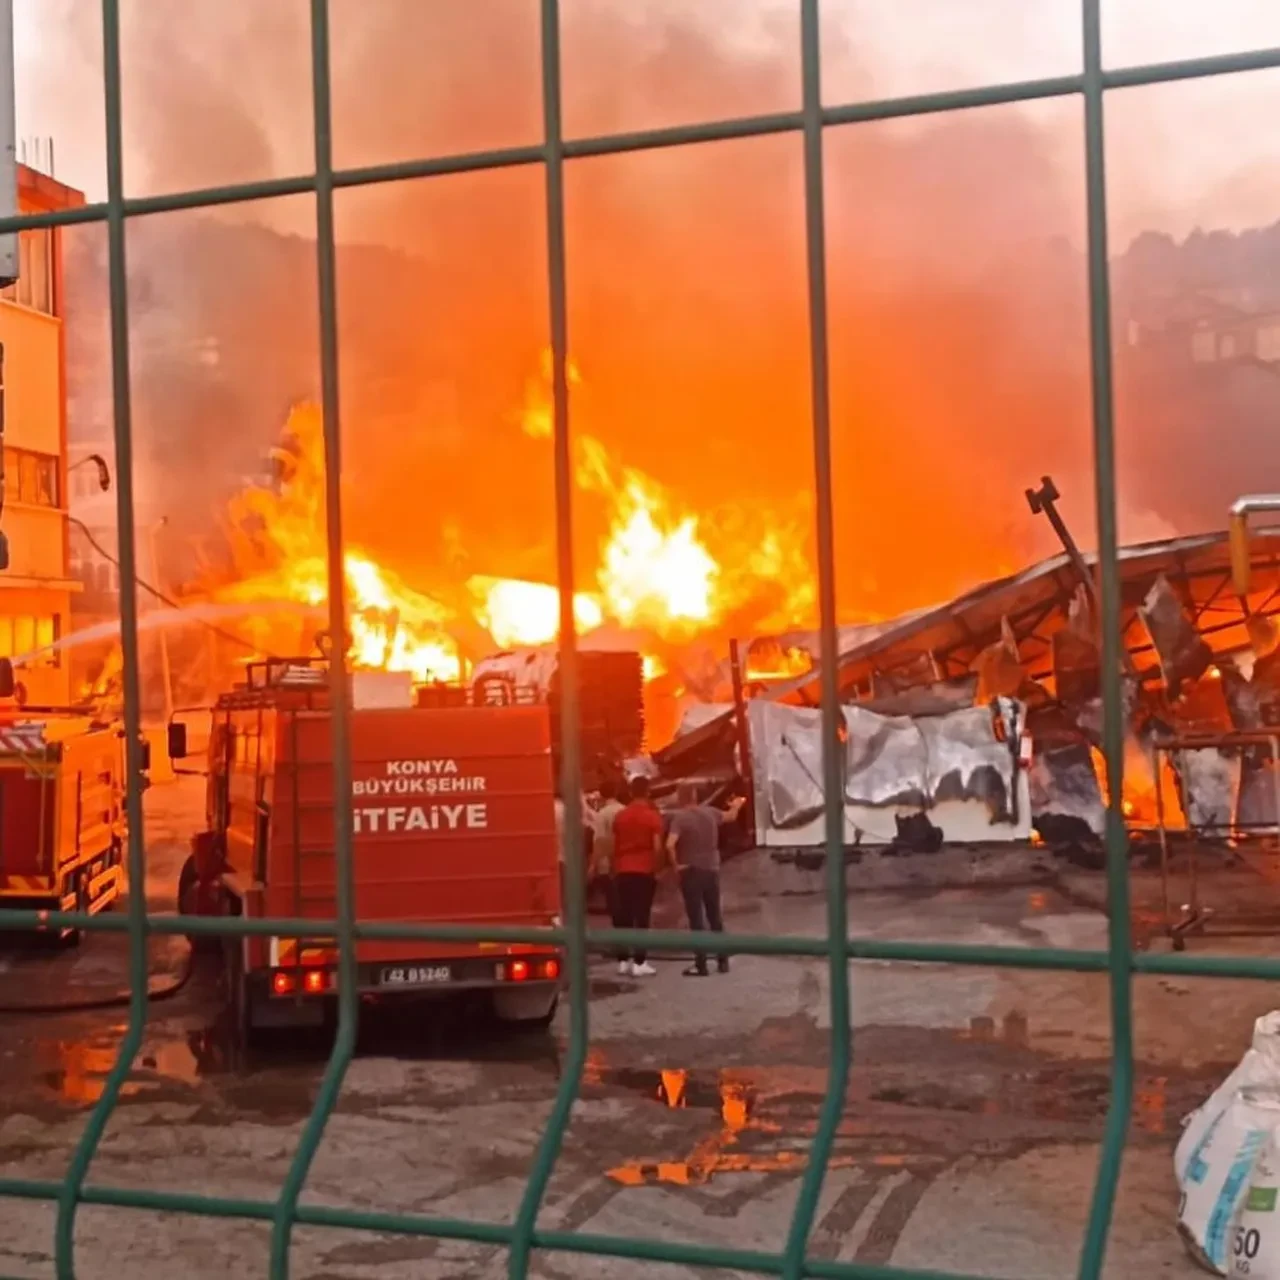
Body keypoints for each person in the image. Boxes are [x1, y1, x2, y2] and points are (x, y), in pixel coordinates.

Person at [666, 784, 745, 977]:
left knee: (696, 919)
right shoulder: (711, 813)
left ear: (679, 798)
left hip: (691, 871)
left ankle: (701, 965)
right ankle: (723, 961)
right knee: (715, 916)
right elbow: (730, 817)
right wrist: (737, 805)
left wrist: (676, 866)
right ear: (695, 796)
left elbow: (669, 844)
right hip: (712, 870)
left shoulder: (680, 818)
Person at [609, 775, 664, 977]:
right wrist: (658, 869)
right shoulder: (652, 817)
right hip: (644, 870)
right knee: (641, 916)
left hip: (622, 869)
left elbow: (613, 844)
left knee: (624, 916)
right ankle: (640, 961)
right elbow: (657, 846)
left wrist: (614, 867)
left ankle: (623, 960)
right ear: (648, 792)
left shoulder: (620, 816)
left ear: (631, 792)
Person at [589, 777, 625, 924]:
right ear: (616, 792)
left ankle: (618, 933)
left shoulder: (602, 814)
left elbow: (599, 840)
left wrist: (592, 865)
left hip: (606, 866)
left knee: (613, 904)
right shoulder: (624, 810)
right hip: (623, 862)